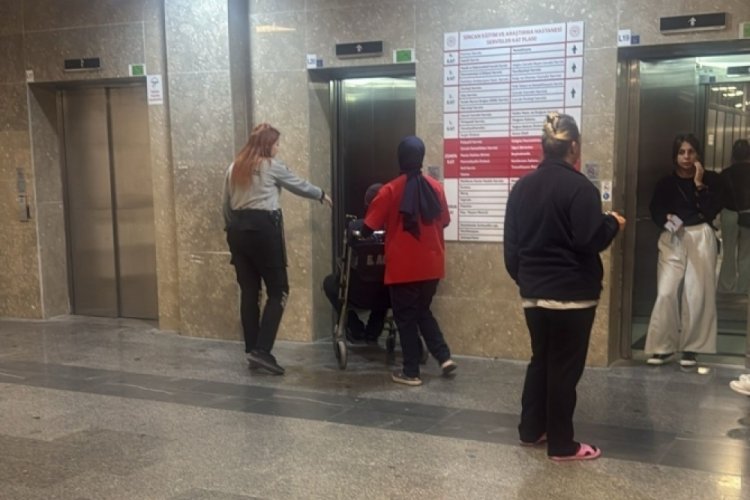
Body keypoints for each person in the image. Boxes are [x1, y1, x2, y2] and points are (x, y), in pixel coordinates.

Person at [504, 112, 624, 461]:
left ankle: (531, 430)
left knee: (540, 360)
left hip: (534, 295)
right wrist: (612, 224)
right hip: (573, 296)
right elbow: (589, 239)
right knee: (564, 370)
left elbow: (511, 249)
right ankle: (561, 444)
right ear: (574, 146)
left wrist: (527, 279)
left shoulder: (522, 188)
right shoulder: (580, 188)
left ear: (543, 147)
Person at [222, 123, 332, 375]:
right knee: (279, 290)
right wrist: (321, 194)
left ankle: (253, 349)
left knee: (250, 291)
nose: (278, 148)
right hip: (264, 230)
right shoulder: (271, 166)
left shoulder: (234, 167)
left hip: (237, 231)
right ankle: (263, 351)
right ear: (267, 145)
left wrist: (231, 229)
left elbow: (225, 204)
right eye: (276, 143)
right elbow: (298, 184)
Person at [363, 136, 456, 386]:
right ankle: (444, 356)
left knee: (405, 318)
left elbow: (368, 226)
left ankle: (411, 371)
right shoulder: (436, 188)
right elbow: (445, 221)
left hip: (404, 267)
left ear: (400, 158)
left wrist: (360, 232)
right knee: (422, 311)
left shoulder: (390, 190)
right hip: (432, 265)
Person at [645, 133, 723, 367]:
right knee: (666, 291)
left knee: (696, 293)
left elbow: (711, 211)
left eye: (691, 152)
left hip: (701, 235)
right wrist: (668, 219)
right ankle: (662, 346)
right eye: (681, 152)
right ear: (675, 156)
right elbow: (656, 211)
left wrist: (699, 183)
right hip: (673, 236)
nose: (686, 157)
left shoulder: (711, 180)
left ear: (698, 154)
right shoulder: (665, 183)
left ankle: (692, 347)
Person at [323, 183, 389, 345]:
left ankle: (354, 326)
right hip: (386, 294)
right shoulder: (395, 229)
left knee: (330, 283)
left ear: (367, 205)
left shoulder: (355, 227)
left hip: (357, 293)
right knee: (382, 279)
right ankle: (373, 331)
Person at [720, 139, 750, 294]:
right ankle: (744, 289)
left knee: (728, 253)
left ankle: (726, 288)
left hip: (729, 214)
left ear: (733, 155)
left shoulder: (725, 173)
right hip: (748, 215)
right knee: (746, 254)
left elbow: (720, 196)